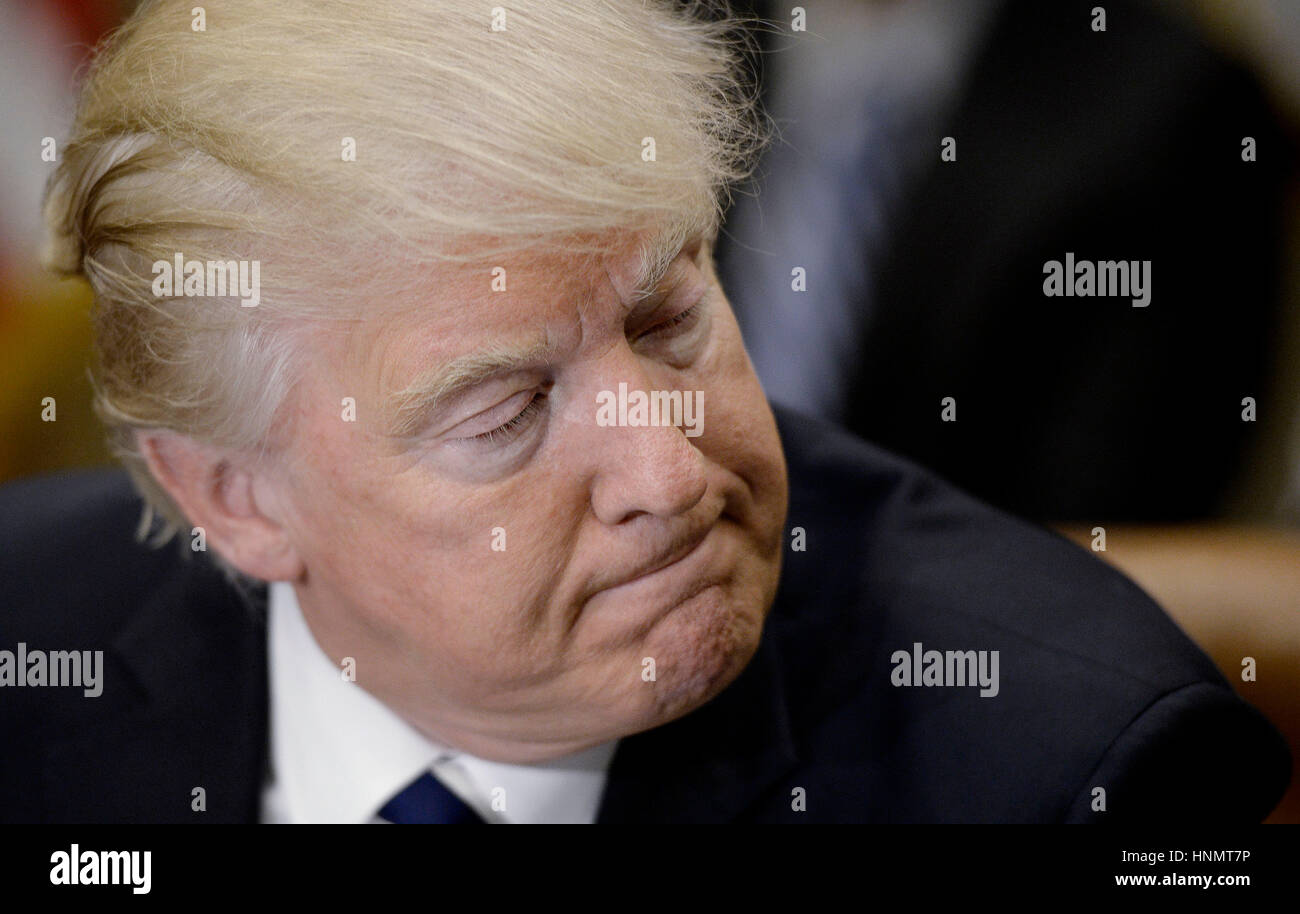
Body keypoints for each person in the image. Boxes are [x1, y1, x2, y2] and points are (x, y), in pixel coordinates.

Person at [0, 0, 1287, 823]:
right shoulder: (26, 639)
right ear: (235, 496)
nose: (674, 475)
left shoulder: (1069, 777)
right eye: (504, 409)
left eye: (670, 321)